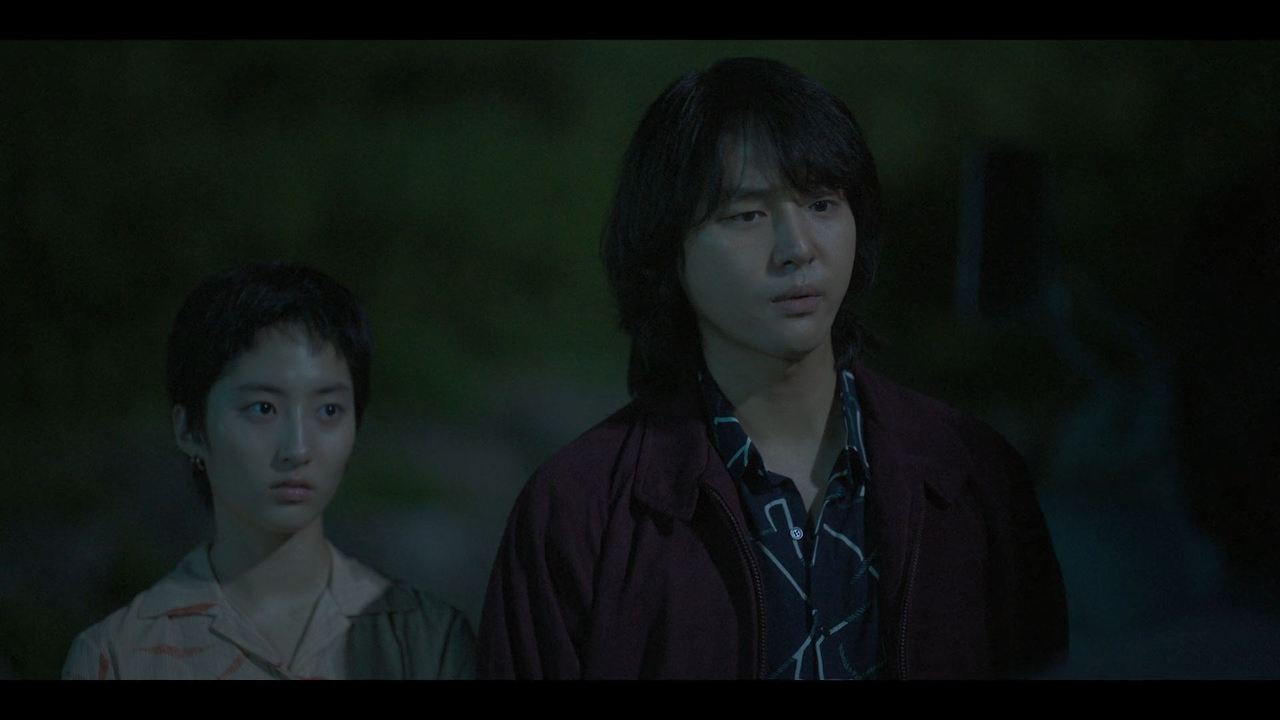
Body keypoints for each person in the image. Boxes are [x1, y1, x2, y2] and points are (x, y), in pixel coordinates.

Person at [477, 57, 1067, 679]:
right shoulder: (581, 510)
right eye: (747, 215)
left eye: (821, 204)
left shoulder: (969, 476)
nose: (797, 249)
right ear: (669, 249)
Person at [63, 261, 475, 679]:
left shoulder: (426, 641)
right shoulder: (119, 657)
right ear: (188, 429)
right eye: (262, 409)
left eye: (328, 410)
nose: (297, 449)